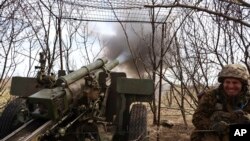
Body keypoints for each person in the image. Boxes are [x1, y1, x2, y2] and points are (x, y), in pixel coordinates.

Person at [190, 64, 250, 141]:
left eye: (235, 83)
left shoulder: (248, 98)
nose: (231, 86)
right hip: (214, 133)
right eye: (227, 82)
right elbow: (197, 117)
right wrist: (213, 125)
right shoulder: (211, 95)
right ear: (223, 83)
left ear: (243, 84)